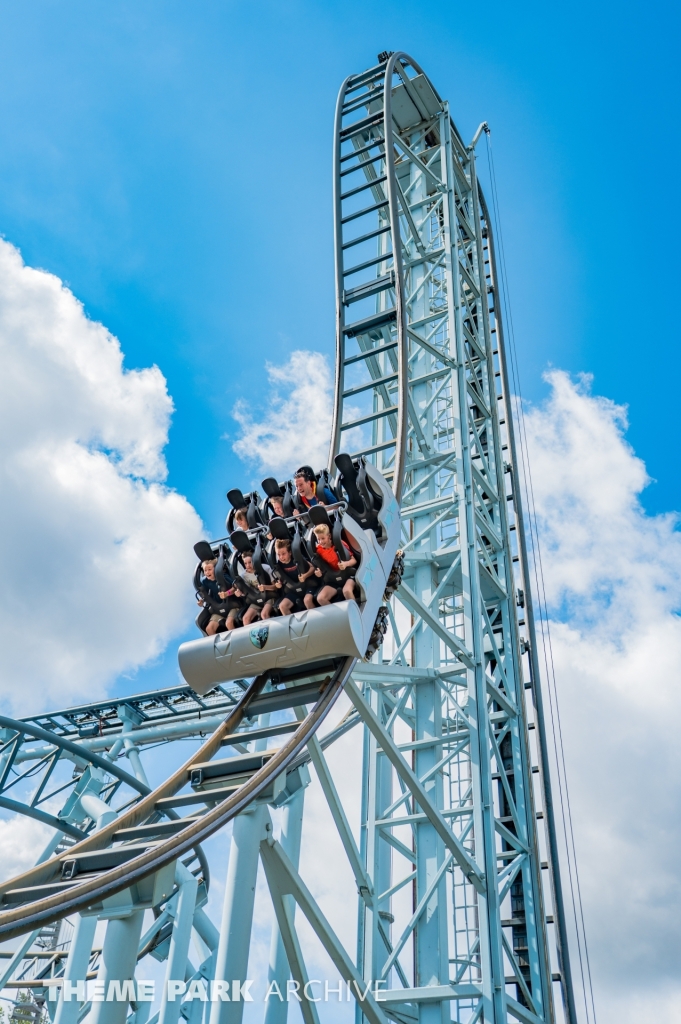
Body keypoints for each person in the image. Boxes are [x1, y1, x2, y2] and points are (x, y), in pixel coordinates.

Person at [304, 524, 357, 607]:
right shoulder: (319, 550)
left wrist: (346, 564)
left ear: (329, 536)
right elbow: (319, 566)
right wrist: (319, 572)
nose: (321, 542)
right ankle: (338, 616)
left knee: (346, 591)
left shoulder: (339, 544)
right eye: (318, 539)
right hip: (333, 578)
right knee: (321, 598)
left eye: (323, 538)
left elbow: (354, 560)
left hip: (348, 575)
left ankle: (355, 613)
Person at [270, 538, 316, 615]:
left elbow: (312, 567)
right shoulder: (279, 565)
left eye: (283, 554)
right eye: (279, 554)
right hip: (294, 590)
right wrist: (278, 584)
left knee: (307, 600)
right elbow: (281, 579)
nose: (281, 557)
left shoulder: (297, 558)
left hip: (307, 586)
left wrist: (305, 576)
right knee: (282, 606)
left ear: (290, 552)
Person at [197, 558, 242, 635]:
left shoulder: (223, 576)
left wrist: (227, 593)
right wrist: (202, 601)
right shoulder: (205, 581)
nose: (207, 572)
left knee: (229, 623)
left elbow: (236, 587)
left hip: (232, 605)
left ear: (216, 569)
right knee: (209, 629)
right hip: (218, 608)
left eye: (209, 569)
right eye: (205, 570)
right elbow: (206, 594)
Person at [233, 552, 277, 625]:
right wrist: (239, 593)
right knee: (245, 619)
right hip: (256, 599)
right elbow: (244, 592)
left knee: (264, 614)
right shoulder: (243, 576)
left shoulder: (266, 568)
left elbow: (276, 587)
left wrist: (265, 587)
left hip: (269, 596)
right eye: (245, 563)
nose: (248, 565)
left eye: (250, 562)